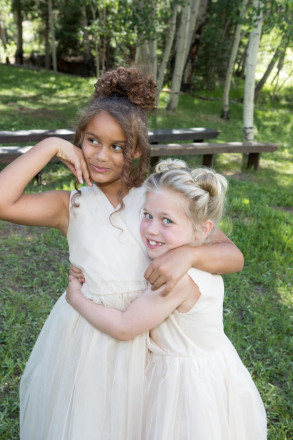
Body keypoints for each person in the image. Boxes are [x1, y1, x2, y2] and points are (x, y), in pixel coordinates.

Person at [0, 67, 243, 440]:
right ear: (78, 140)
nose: (101, 155)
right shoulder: (71, 206)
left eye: (117, 146)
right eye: (92, 141)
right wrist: (50, 144)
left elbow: (232, 256)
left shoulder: (157, 200)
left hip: (147, 341)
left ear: (136, 150)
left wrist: (188, 257)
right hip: (88, 342)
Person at [66, 159, 267, 440]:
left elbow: (125, 326)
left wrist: (76, 298)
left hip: (185, 387)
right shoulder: (199, 258)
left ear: (203, 229)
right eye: (147, 215)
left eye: (167, 221)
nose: (151, 229)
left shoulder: (177, 281)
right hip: (213, 371)